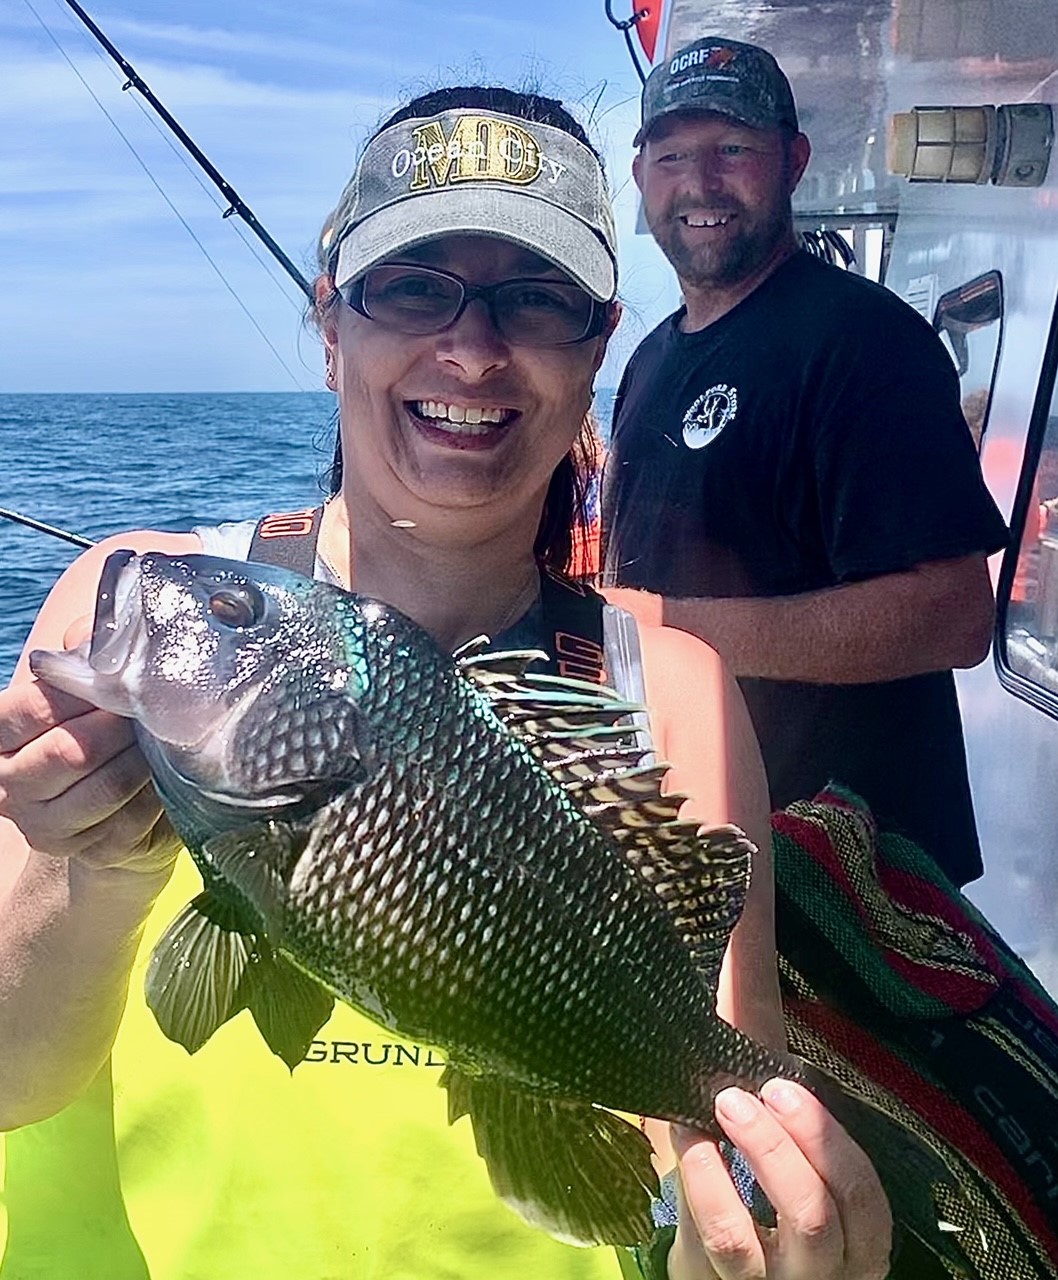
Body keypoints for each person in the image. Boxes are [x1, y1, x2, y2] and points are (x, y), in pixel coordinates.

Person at [0, 86, 891, 1280]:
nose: (471, 349)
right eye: (414, 287)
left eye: (536, 298)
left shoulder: (670, 688)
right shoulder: (132, 595)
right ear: (330, 325)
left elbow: (702, 1150)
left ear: (594, 350)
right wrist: (100, 865)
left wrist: (748, 1239)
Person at [601, 37, 1009, 889]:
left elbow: (955, 615)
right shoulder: (648, 361)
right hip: (707, 857)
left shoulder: (865, 340)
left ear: (794, 161)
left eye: (733, 149)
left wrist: (663, 630)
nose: (700, 183)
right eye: (672, 156)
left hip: (855, 893)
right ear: (640, 177)